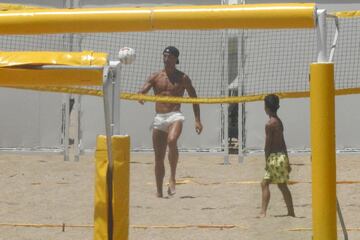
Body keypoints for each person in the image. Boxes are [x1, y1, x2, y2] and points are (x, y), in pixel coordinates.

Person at [138, 46, 203, 198]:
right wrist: (140, 96)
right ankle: (159, 191)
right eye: (164, 56)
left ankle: (172, 177)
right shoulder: (156, 76)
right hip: (159, 117)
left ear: (175, 59)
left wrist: (198, 120)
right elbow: (142, 91)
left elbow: (195, 98)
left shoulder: (183, 78)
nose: (166, 59)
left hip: (175, 115)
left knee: (172, 140)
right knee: (158, 158)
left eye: (169, 56)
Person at [258, 94, 295, 217]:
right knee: (278, 185)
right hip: (281, 156)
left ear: (266, 108)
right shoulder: (279, 122)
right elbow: (283, 142)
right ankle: (290, 212)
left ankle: (264, 212)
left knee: (269, 184)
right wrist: (287, 160)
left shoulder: (269, 124)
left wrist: (266, 161)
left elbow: (267, 145)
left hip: (274, 158)